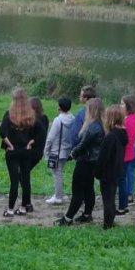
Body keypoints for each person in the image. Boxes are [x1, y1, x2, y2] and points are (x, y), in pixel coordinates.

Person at [57, 97, 105, 226]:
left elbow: (83, 145)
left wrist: (71, 155)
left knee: (78, 191)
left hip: (85, 161)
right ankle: (87, 214)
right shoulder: (103, 125)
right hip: (94, 161)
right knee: (89, 188)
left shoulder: (93, 127)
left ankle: (68, 218)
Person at [0, 88, 39, 216]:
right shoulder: (31, 114)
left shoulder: (9, 114)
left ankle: (10, 210)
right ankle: (23, 208)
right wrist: (30, 142)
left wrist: (9, 144)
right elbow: (39, 133)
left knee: (14, 181)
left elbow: (2, 132)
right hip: (26, 151)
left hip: (13, 151)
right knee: (26, 179)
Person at [97, 104, 128, 229]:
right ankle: (110, 221)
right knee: (111, 197)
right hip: (117, 170)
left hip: (107, 172)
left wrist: (97, 172)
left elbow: (103, 157)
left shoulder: (111, 137)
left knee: (107, 200)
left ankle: (107, 224)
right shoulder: (122, 134)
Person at [43, 97, 76, 204]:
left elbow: (50, 138)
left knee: (57, 173)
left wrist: (46, 150)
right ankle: (59, 194)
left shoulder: (58, 120)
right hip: (67, 150)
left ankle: (58, 197)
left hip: (56, 151)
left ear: (59, 107)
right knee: (59, 172)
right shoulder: (73, 119)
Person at [118, 94, 135, 214]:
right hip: (127, 153)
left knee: (122, 180)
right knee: (122, 179)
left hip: (125, 154)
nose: (120, 106)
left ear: (128, 105)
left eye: (122, 103)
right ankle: (124, 203)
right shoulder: (130, 118)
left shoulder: (130, 121)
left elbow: (129, 139)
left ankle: (123, 206)